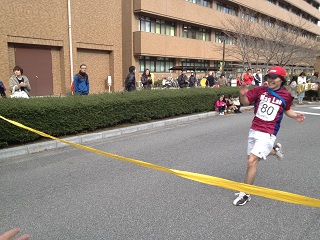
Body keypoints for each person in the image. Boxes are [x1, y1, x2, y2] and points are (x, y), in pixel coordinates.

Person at [233, 66, 305, 206]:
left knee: (252, 161)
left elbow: (287, 110)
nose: (270, 80)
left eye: (274, 78)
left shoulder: (285, 96)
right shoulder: (260, 90)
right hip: (254, 129)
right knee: (251, 160)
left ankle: (246, 193)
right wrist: (242, 94)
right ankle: (275, 151)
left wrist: (296, 116)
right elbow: (246, 102)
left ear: (281, 80)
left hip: (269, 132)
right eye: (269, 77)